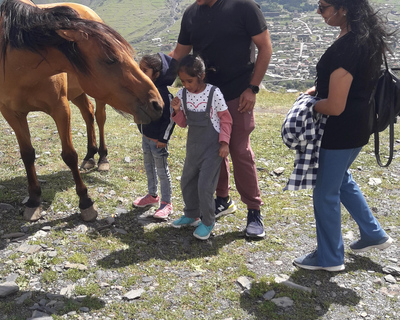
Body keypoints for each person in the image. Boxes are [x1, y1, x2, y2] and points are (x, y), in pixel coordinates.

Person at [293, 0, 394, 272]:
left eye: (324, 6)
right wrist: (317, 90)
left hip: (339, 131)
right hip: (359, 127)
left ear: (344, 8)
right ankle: (373, 234)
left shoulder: (347, 47)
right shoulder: (365, 37)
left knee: (325, 192)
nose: (319, 11)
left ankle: (330, 257)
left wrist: (308, 106)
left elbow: (335, 106)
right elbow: (353, 84)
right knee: (342, 179)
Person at [169, 0, 272, 239]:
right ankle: (222, 199)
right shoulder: (192, 13)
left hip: (238, 93)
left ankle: (254, 210)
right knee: (213, 149)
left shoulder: (244, 7)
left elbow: (265, 48)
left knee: (238, 149)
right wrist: (151, 72)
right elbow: (179, 54)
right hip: (206, 96)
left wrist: (253, 88)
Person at [170, 55, 233, 240]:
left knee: (205, 186)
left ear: (201, 76)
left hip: (213, 149)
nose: (186, 85)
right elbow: (182, 124)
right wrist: (176, 111)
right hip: (193, 147)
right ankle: (191, 214)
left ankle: (208, 221)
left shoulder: (214, 93)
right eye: (182, 81)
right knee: (187, 181)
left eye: (189, 81)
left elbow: (226, 119)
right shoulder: (181, 95)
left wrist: (224, 142)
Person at [133, 53, 177, 219]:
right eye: (139, 69)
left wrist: (163, 140)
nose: (140, 72)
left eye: (144, 70)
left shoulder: (164, 95)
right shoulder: (143, 91)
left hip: (158, 143)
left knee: (162, 171)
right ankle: (152, 196)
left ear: (156, 74)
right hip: (146, 138)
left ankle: (166, 203)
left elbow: (170, 119)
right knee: (149, 167)